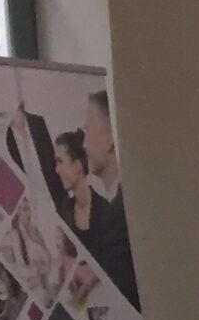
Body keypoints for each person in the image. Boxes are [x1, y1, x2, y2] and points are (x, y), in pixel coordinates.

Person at [29, 120, 138, 309]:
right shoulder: (64, 211)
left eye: (60, 162)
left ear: (78, 165)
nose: (56, 169)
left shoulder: (106, 213)